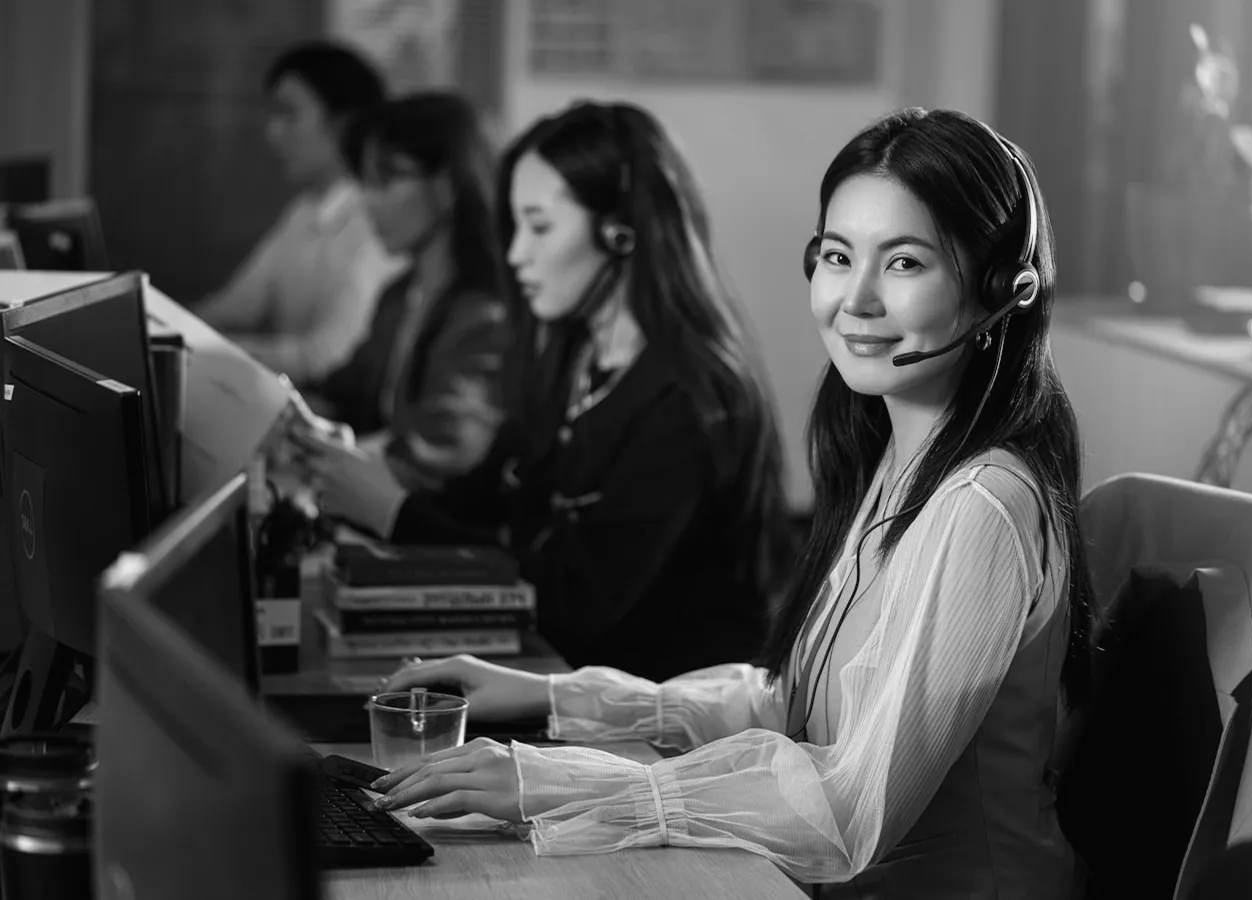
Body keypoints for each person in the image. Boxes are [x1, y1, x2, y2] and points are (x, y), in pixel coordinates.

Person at [368, 108, 1096, 899]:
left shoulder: (981, 504)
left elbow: (847, 808)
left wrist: (559, 783)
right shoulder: (895, 461)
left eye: (906, 263)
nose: (854, 299)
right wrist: (554, 696)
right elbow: (793, 704)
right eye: (839, 255)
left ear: (1002, 290)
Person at [304, 101, 790, 680]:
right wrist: (362, 484)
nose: (515, 255)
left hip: (667, 723)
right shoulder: (572, 354)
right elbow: (486, 495)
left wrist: (393, 510)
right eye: (515, 228)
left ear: (620, 232)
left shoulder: (694, 396)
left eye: (539, 227)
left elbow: (578, 602)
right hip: (575, 683)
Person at [293, 93, 508, 492]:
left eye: (385, 181)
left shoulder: (485, 313)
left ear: (447, 185)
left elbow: (444, 449)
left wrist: (331, 455)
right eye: (364, 183)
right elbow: (344, 394)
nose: (367, 202)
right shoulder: (400, 295)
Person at [197, 41, 404, 386]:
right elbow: (239, 305)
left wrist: (206, 349)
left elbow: (328, 357)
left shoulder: (379, 224)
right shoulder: (304, 212)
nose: (273, 133)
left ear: (344, 125)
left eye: (289, 114)